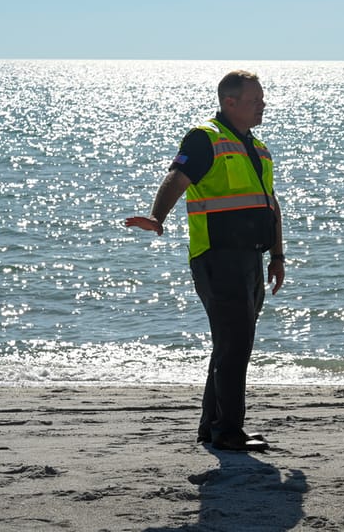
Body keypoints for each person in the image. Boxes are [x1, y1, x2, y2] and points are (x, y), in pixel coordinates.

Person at [125, 70, 285, 452]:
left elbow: (271, 204)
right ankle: (227, 430)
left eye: (262, 99)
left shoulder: (257, 147)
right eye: (255, 100)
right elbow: (177, 178)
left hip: (251, 258)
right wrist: (157, 217)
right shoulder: (205, 138)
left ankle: (212, 427)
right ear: (229, 102)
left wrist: (277, 256)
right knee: (235, 344)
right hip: (218, 256)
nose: (262, 105)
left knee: (231, 343)